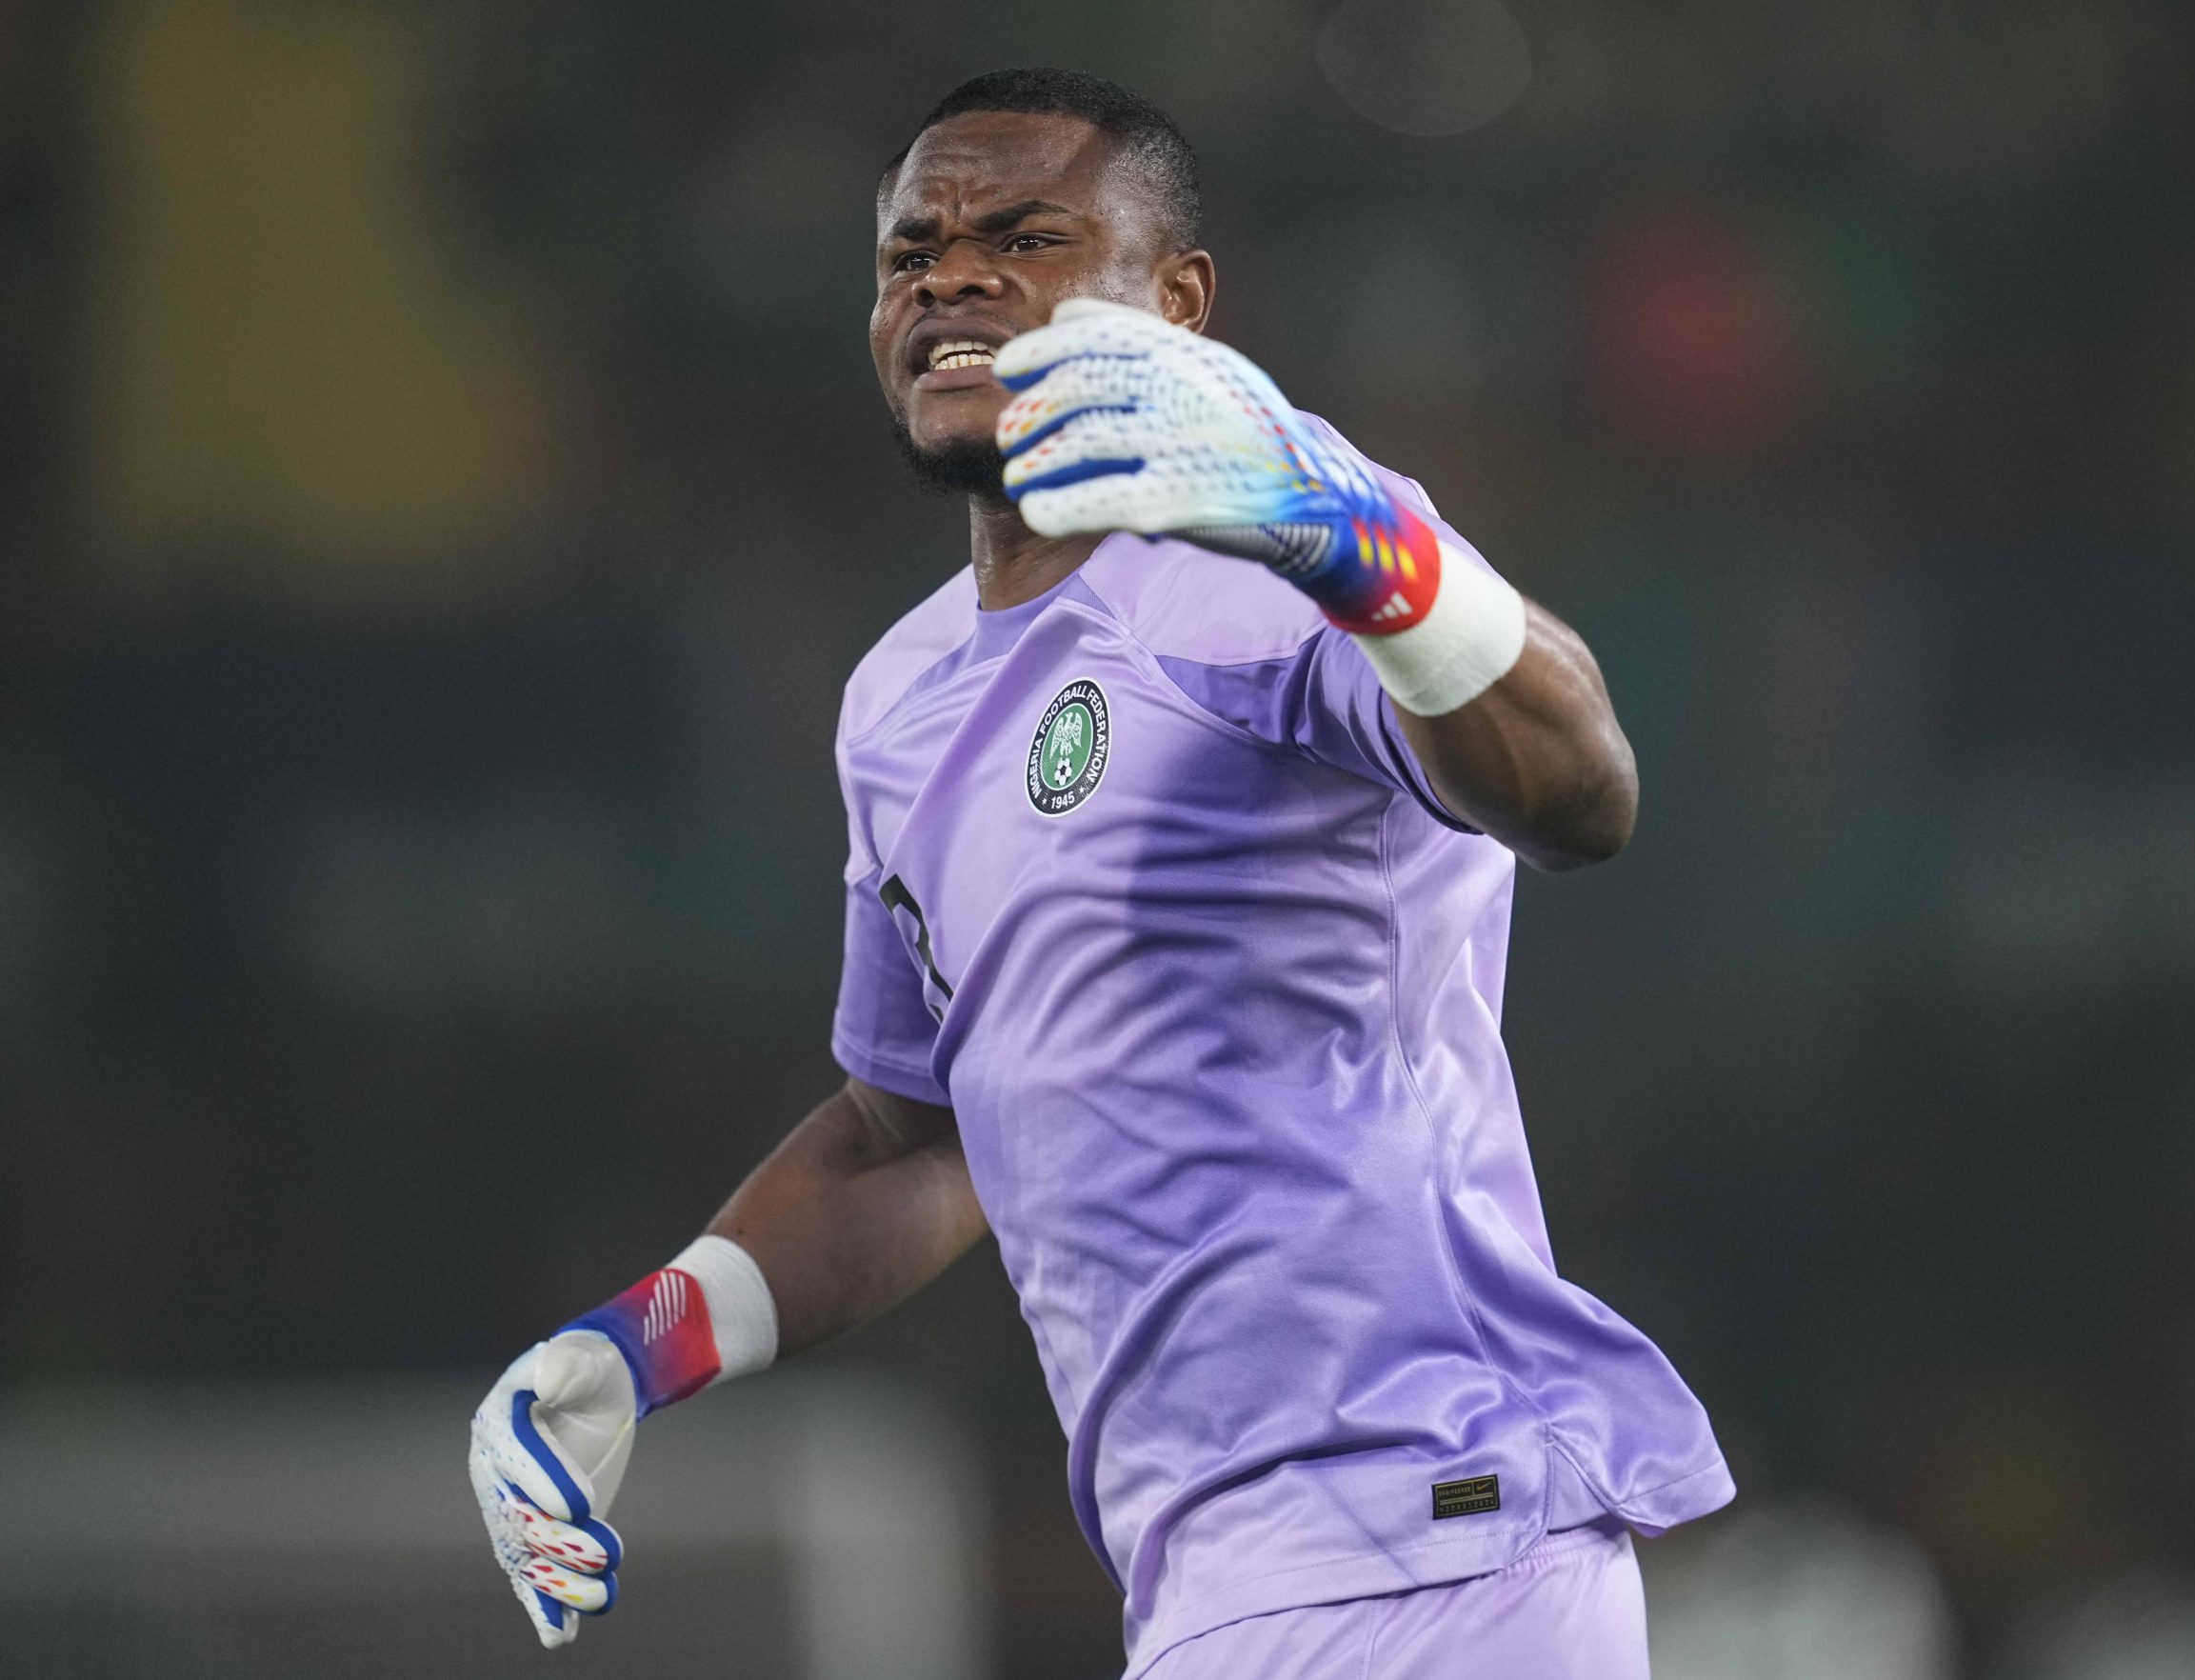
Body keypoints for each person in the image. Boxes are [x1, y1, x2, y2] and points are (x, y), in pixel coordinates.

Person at [469, 67, 1732, 1678]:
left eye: (1027, 235)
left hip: (1432, 1541)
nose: (952, 278)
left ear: (1177, 301)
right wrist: (640, 1342)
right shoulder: (898, 704)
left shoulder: (1282, 545)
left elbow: (1585, 788)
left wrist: (1352, 538)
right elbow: (913, 1130)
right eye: (910, 252)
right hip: (1216, 1584)